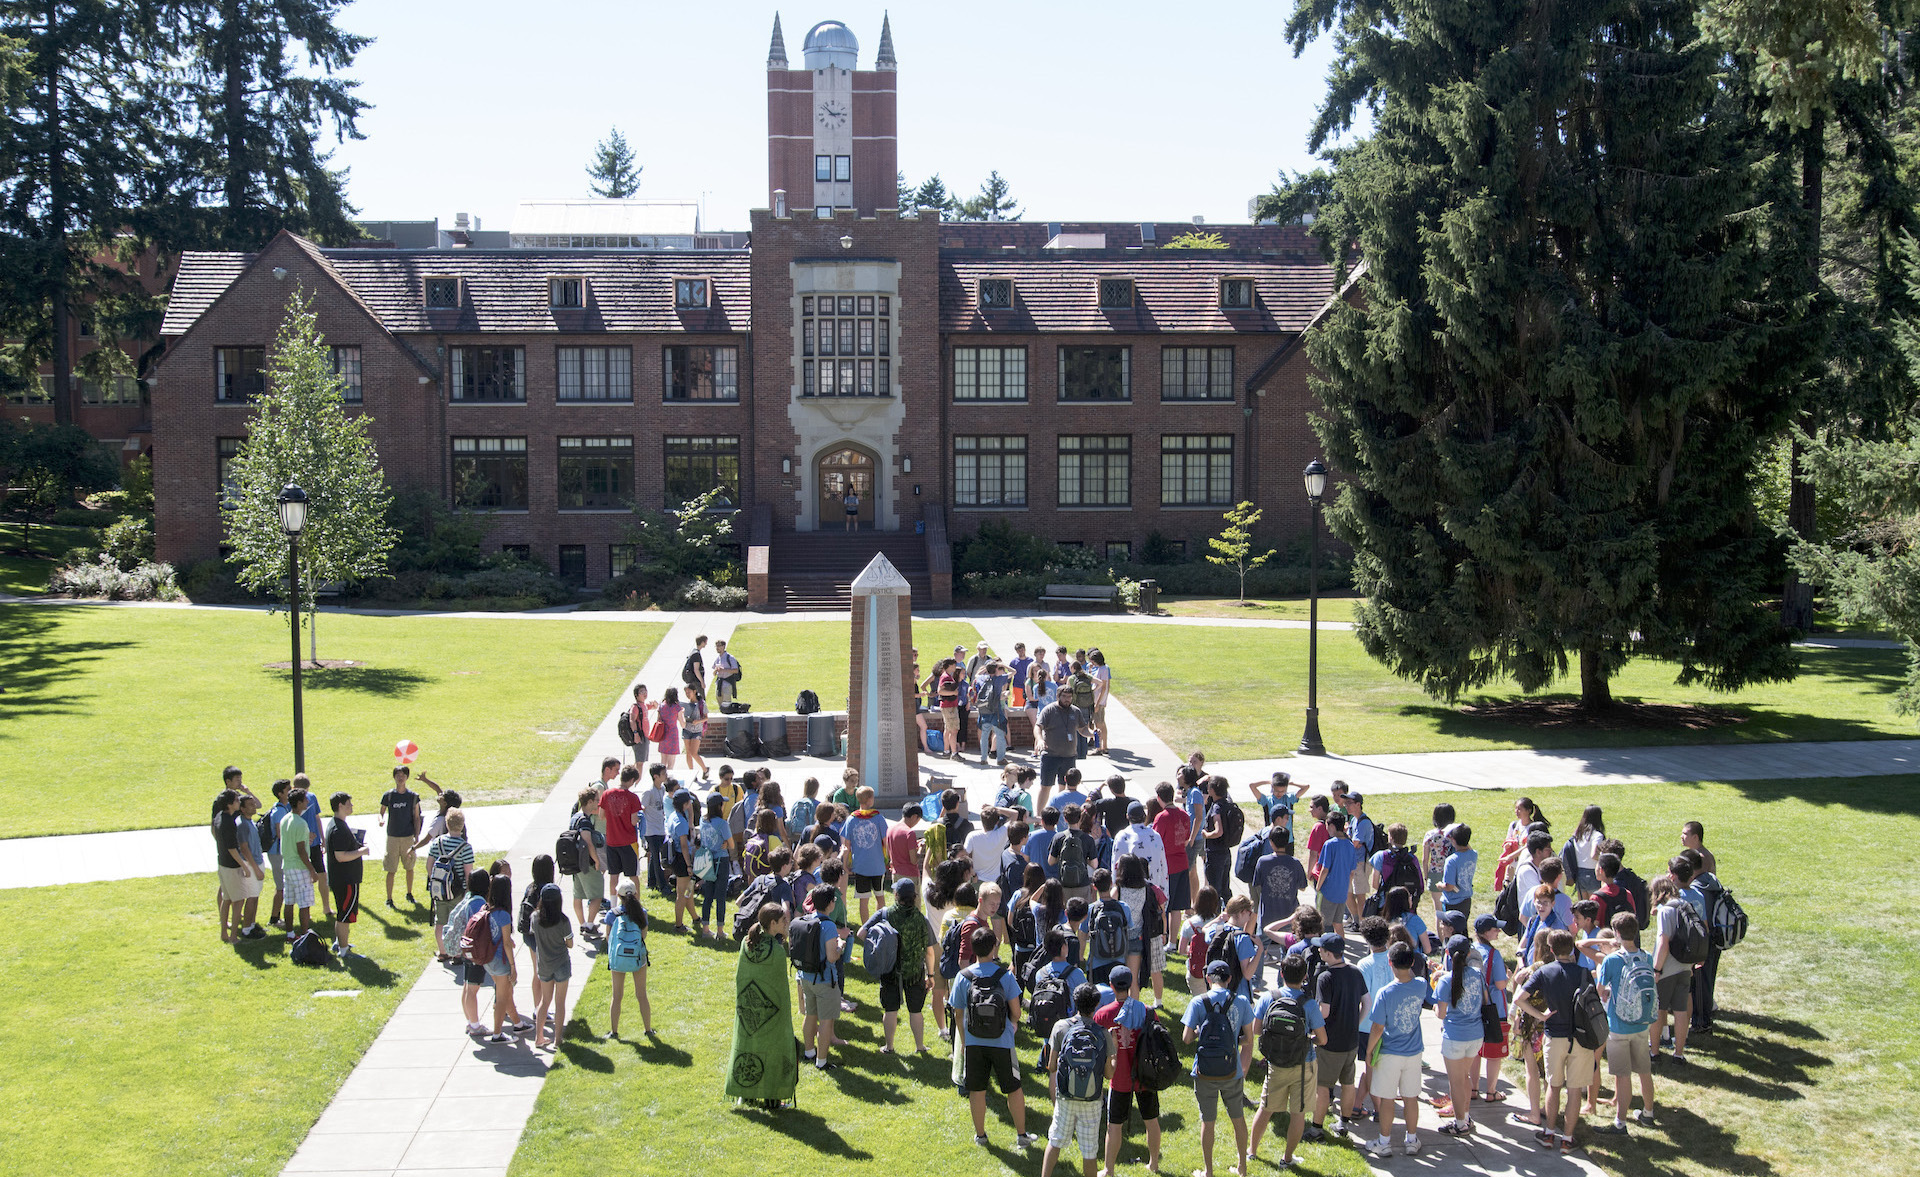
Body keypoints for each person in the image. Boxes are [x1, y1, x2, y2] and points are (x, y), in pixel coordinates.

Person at [950, 927, 1038, 1148]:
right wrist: (1013, 1024)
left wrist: (963, 1041)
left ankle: (981, 1136)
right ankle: (1021, 1135)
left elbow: (958, 1013)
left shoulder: (963, 977)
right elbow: (1016, 1012)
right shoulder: (1005, 976)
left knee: (977, 1090)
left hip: (973, 1042)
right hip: (1002, 1042)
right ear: (994, 947)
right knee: (1013, 1088)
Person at [1248, 953, 1328, 1168]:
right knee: (1298, 1113)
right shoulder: (1309, 1004)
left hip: (1275, 1063)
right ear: (1304, 977)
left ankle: (1252, 1152)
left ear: (1281, 973)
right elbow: (1323, 1039)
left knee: (1265, 1108)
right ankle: (1287, 1159)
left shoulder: (1268, 997)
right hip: (1304, 1064)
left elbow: (1256, 1030)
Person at [1183, 958, 1259, 1177]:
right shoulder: (1242, 1001)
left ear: (1208, 979)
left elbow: (1186, 1038)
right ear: (1229, 979)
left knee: (1208, 1121)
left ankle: (1208, 1171)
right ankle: (1242, 1167)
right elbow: (1249, 1038)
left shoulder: (1198, 1002)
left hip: (1204, 1071)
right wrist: (1234, 1041)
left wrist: (1201, 1033)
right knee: (1238, 1118)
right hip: (1231, 1070)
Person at [1361, 942, 1430, 1157]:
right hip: (1413, 1052)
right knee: (1411, 1098)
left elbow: (1378, 1027)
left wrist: (1370, 1051)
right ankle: (1411, 1140)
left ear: (1390, 962)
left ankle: (1384, 1142)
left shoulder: (1385, 992)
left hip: (1389, 1052)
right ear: (1411, 962)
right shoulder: (1421, 985)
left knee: (1387, 1099)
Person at [1041, 982, 1116, 1177]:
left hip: (1066, 1095)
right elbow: (1109, 1074)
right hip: (1092, 1099)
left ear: (1075, 1002)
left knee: (1055, 1140)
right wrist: (1113, 1055)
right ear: (1096, 1005)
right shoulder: (1103, 1033)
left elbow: (1052, 1066)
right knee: (1089, 1151)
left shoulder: (1061, 1027)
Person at [1594, 910, 1659, 1135]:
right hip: (1642, 1024)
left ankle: (1620, 1122)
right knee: (1644, 1071)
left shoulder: (1612, 960)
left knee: (1622, 1076)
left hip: (1618, 1026)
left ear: (1617, 933)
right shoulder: (1647, 957)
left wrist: (1607, 991)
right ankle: (1648, 1113)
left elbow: (1600, 990)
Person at [727, 904, 798, 1109]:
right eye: (784, 921)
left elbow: (744, 976)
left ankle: (745, 1094)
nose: (787, 923)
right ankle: (772, 1098)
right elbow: (779, 988)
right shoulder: (775, 951)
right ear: (773, 924)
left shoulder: (746, 942)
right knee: (773, 1049)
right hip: (771, 1013)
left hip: (747, 1010)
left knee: (749, 1047)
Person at [1304, 931, 1368, 1140]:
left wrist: (1312, 1030)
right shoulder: (1356, 972)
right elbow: (1367, 1003)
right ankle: (1343, 1124)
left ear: (1329, 954)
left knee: (1322, 1086)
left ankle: (1316, 1129)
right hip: (1351, 1041)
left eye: (1321, 948)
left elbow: (1324, 1012)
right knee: (1348, 1083)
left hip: (1330, 1043)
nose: (1318, 951)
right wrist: (1355, 1024)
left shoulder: (1326, 977)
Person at [1429, 934, 1487, 1138]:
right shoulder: (1478, 974)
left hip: (1454, 1037)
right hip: (1476, 1034)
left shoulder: (1446, 981)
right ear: (1469, 953)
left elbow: (1441, 1014)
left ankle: (1460, 1123)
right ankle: (1466, 1117)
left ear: (1447, 953)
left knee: (1456, 1081)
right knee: (1465, 1077)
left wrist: (1435, 1003)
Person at [793, 883, 845, 1070]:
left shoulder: (806, 920)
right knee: (826, 1020)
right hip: (824, 980)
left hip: (805, 977)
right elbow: (832, 956)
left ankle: (809, 1052)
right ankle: (821, 1062)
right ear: (831, 904)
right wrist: (841, 946)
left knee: (810, 1015)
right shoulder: (829, 925)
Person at [1649, 873, 1695, 1064]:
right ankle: (1679, 1054)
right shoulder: (1687, 906)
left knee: (1658, 1010)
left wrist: (1656, 970)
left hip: (1667, 968)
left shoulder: (1666, 911)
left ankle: (1655, 1052)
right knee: (1681, 1011)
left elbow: (1663, 943)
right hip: (1685, 966)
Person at [378, 765, 439, 908]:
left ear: (407, 777)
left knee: (409, 867)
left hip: (407, 837)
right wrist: (381, 819)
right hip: (392, 837)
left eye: (403, 775)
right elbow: (381, 811)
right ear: (394, 777)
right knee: (391, 869)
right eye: (398, 775)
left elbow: (417, 817)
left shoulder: (413, 797)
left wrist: (416, 836)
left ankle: (409, 893)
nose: (400, 777)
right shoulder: (389, 795)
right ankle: (389, 899)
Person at [482, 874, 532, 1043]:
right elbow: (506, 943)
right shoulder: (503, 914)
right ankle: (497, 1034)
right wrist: (513, 966)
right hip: (500, 961)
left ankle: (518, 1024)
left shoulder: (487, 909)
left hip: (488, 960)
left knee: (506, 992)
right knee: (502, 997)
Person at [601, 879, 653, 1039]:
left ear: (618, 895)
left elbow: (608, 937)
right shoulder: (642, 913)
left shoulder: (612, 914)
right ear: (636, 893)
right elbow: (643, 935)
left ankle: (614, 1032)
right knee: (641, 994)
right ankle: (648, 1030)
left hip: (618, 959)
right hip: (638, 958)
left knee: (617, 996)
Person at [426, 808, 479, 956]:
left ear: (447, 824)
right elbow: (468, 873)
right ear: (462, 825)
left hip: (440, 891)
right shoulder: (465, 848)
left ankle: (443, 952)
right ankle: (456, 954)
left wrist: (435, 880)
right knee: (457, 921)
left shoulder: (437, 843)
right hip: (458, 891)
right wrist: (468, 891)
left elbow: (429, 865)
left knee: (440, 921)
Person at [324, 792, 370, 958]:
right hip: (346, 879)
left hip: (341, 878)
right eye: (349, 803)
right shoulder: (339, 829)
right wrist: (361, 851)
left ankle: (340, 943)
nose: (351, 806)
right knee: (345, 915)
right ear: (340, 806)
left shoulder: (336, 824)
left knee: (341, 913)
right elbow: (341, 856)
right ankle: (344, 950)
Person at [528, 883, 573, 1050]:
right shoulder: (563, 920)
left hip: (544, 965)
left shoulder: (534, 918)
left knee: (544, 1002)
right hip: (561, 964)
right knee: (559, 1003)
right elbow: (570, 944)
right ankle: (557, 1039)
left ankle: (539, 1037)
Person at [597, 761, 643, 897]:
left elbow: (601, 816)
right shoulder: (633, 798)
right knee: (633, 875)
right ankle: (637, 904)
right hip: (628, 841)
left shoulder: (606, 794)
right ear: (632, 780)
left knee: (614, 875)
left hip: (611, 841)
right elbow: (633, 821)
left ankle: (613, 904)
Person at [1036, 691, 1089, 802]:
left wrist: (1092, 733)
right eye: (1064, 696)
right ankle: (1040, 816)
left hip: (1069, 756)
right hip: (1050, 755)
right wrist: (1040, 740)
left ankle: (1061, 812)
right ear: (1058, 696)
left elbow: (1083, 729)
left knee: (1065, 788)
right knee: (1045, 787)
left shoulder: (1075, 711)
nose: (1067, 699)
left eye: (1069, 697)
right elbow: (1038, 727)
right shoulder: (1049, 710)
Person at [1311, 811, 1359, 930]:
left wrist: (1318, 887)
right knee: (1338, 924)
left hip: (1328, 891)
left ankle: (1324, 947)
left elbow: (1325, 869)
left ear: (1332, 826)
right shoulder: (1350, 845)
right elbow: (1352, 871)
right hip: (1342, 892)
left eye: (1327, 825)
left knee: (1323, 924)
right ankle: (1339, 946)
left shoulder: (1329, 844)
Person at [696, 792, 735, 939]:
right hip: (721, 861)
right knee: (720, 897)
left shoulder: (703, 820)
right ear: (719, 806)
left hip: (708, 860)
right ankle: (720, 930)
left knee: (708, 896)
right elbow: (731, 845)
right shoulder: (722, 823)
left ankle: (705, 929)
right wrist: (724, 842)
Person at [232, 793, 268, 940]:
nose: (254, 806)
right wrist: (256, 868)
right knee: (251, 897)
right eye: (251, 805)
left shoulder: (249, 821)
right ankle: (247, 930)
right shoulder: (242, 825)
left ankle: (252, 924)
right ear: (242, 808)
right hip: (251, 864)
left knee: (255, 896)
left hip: (257, 862)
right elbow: (244, 849)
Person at [1201, 775, 1243, 898]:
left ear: (1212, 790)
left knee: (1215, 890)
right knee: (1225, 888)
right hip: (1225, 852)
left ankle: (1216, 914)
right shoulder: (1228, 804)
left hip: (1215, 853)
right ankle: (1229, 913)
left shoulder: (1216, 807)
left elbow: (1218, 831)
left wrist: (1206, 835)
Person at [665, 789, 698, 931]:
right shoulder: (681, 822)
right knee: (682, 894)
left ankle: (695, 917)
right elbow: (684, 846)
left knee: (688, 891)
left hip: (677, 858)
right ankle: (678, 925)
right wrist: (689, 865)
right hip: (682, 859)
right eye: (689, 802)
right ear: (684, 803)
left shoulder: (674, 815)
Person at [1421, 804, 1457, 917]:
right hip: (1452, 873)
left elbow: (1425, 859)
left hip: (1435, 874)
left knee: (1439, 911)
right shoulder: (1455, 834)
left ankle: (1441, 935)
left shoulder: (1430, 835)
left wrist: (1426, 876)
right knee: (1453, 910)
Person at [977, 659, 1013, 766]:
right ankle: (1000, 758)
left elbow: (976, 675)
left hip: (984, 711)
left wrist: (985, 668)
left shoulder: (982, 678)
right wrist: (1003, 664)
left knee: (984, 735)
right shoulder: (999, 679)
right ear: (996, 669)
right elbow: (1014, 672)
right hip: (996, 711)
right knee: (1000, 735)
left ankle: (983, 758)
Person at [1439, 824, 1478, 917]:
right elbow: (1468, 847)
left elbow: (1449, 886)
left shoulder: (1451, 860)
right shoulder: (1473, 854)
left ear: (1453, 840)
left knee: (1451, 929)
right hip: (1466, 899)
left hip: (1452, 902)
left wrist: (1440, 885)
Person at [1570, 805, 1607, 896]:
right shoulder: (1596, 835)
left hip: (1579, 873)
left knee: (1583, 906)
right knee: (1594, 905)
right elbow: (1593, 855)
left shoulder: (1578, 833)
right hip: (1592, 873)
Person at [712, 637, 741, 708]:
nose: (717, 648)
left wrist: (724, 670)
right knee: (720, 703)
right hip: (719, 683)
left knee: (727, 704)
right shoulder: (717, 659)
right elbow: (714, 673)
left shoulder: (730, 657)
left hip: (727, 684)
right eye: (716, 646)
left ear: (723, 646)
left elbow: (736, 670)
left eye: (719, 646)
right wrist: (716, 670)